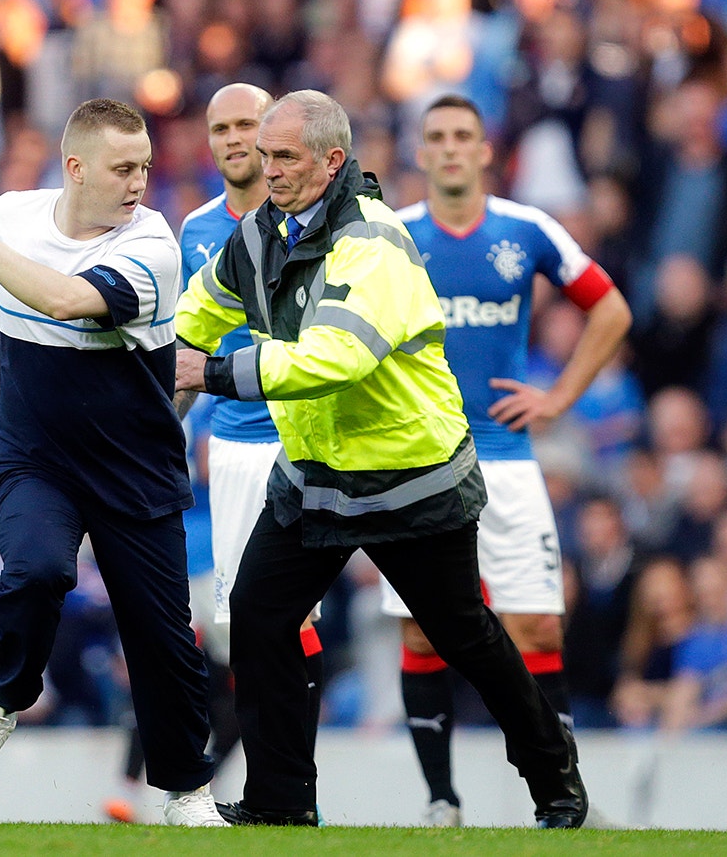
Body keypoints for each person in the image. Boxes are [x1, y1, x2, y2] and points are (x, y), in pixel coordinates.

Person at [175, 89, 589, 828]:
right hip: (315, 473)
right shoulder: (257, 235)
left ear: (333, 161)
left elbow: (339, 356)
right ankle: (282, 800)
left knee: (466, 635)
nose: (265, 168)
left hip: (410, 475)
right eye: (263, 154)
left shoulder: (374, 240)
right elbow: (193, 318)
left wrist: (208, 373)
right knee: (258, 614)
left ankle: (553, 773)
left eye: (284, 156)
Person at [0, 98, 225, 827]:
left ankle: (184, 790)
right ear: (75, 168)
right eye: (123, 167)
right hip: (34, 453)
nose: (139, 181)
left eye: (145, 167)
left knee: (163, 640)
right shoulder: (14, 217)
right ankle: (2, 696)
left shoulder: (152, 246)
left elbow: (64, 298)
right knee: (37, 568)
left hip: (134, 466)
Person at [386, 94, 630, 826]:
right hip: (420, 461)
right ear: (421, 152)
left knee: (539, 629)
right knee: (421, 631)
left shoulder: (527, 229)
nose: (452, 148)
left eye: (464, 135)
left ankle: (561, 794)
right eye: (437, 137)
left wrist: (557, 397)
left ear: (486, 150)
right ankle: (440, 799)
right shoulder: (392, 237)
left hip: (508, 458)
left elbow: (611, 308)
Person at [179, 82, 324, 744]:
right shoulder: (197, 230)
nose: (234, 138)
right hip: (232, 448)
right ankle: (280, 783)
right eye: (221, 128)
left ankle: (295, 784)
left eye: (247, 124)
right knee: (241, 626)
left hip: (303, 437)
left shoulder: (317, 218)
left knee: (293, 617)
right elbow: (189, 347)